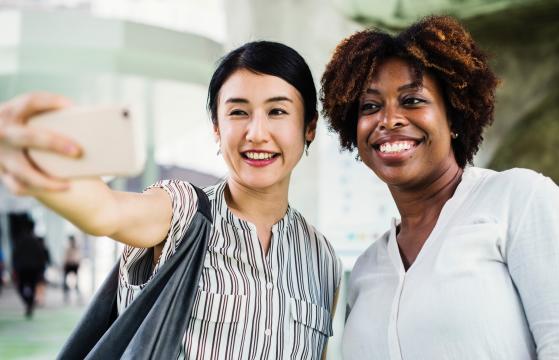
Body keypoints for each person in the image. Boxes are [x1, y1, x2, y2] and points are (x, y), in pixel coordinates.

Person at [0, 41, 341, 359]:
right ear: (217, 129)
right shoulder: (182, 212)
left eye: (277, 112)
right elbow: (106, 212)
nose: (256, 133)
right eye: (238, 112)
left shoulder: (322, 258)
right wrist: (37, 164)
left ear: (309, 126)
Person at [320, 15, 559, 359]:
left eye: (412, 100)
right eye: (370, 106)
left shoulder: (518, 200)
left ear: (454, 118)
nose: (389, 119)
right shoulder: (368, 268)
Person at [10, 215, 47, 317]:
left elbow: (15, 255)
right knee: (31, 285)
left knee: (21, 286)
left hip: (23, 269)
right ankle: (30, 302)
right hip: (33, 269)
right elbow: (41, 256)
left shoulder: (19, 241)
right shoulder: (36, 241)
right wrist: (41, 269)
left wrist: (15, 268)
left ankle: (29, 302)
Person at [62, 235, 81, 301]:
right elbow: (65, 258)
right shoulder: (68, 248)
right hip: (69, 265)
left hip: (74, 265)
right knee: (65, 280)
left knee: (76, 282)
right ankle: (66, 294)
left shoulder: (76, 248)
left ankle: (78, 295)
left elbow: (78, 258)